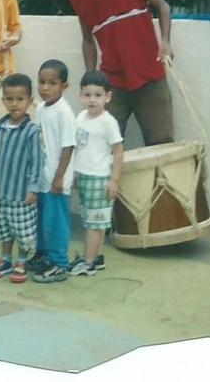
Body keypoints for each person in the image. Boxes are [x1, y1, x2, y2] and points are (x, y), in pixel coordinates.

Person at [68, 0, 174, 145]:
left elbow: (163, 6)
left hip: (149, 74)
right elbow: (88, 40)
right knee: (103, 141)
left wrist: (165, 42)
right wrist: (91, 77)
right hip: (113, 81)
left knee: (161, 143)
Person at [0, 73, 44, 284]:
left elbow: (37, 162)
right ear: (3, 101)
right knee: (3, 228)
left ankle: (21, 260)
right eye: (9, 99)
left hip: (22, 194)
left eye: (20, 99)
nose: (15, 104)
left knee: (23, 229)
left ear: (29, 101)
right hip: (2, 192)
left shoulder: (31, 132)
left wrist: (33, 189)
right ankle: (5, 258)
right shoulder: (0, 127)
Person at [69, 71, 124, 277]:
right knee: (93, 221)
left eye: (98, 95)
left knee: (94, 224)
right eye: (87, 94)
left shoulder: (108, 122)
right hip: (82, 176)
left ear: (107, 97)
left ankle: (88, 261)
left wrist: (114, 180)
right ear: (81, 95)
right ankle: (98, 257)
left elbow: (118, 152)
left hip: (99, 179)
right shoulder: (81, 117)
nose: (92, 99)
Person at [31, 59, 77, 284]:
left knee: (56, 222)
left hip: (56, 182)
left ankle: (59, 263)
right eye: (41, 82)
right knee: (41, 220)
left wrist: (59, 177)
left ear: (64, 86)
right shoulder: (40, 109)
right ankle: (42, 255)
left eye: (52, 83)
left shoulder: (64, 112)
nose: (45, 88)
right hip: (42, 179)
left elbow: (68, 146)